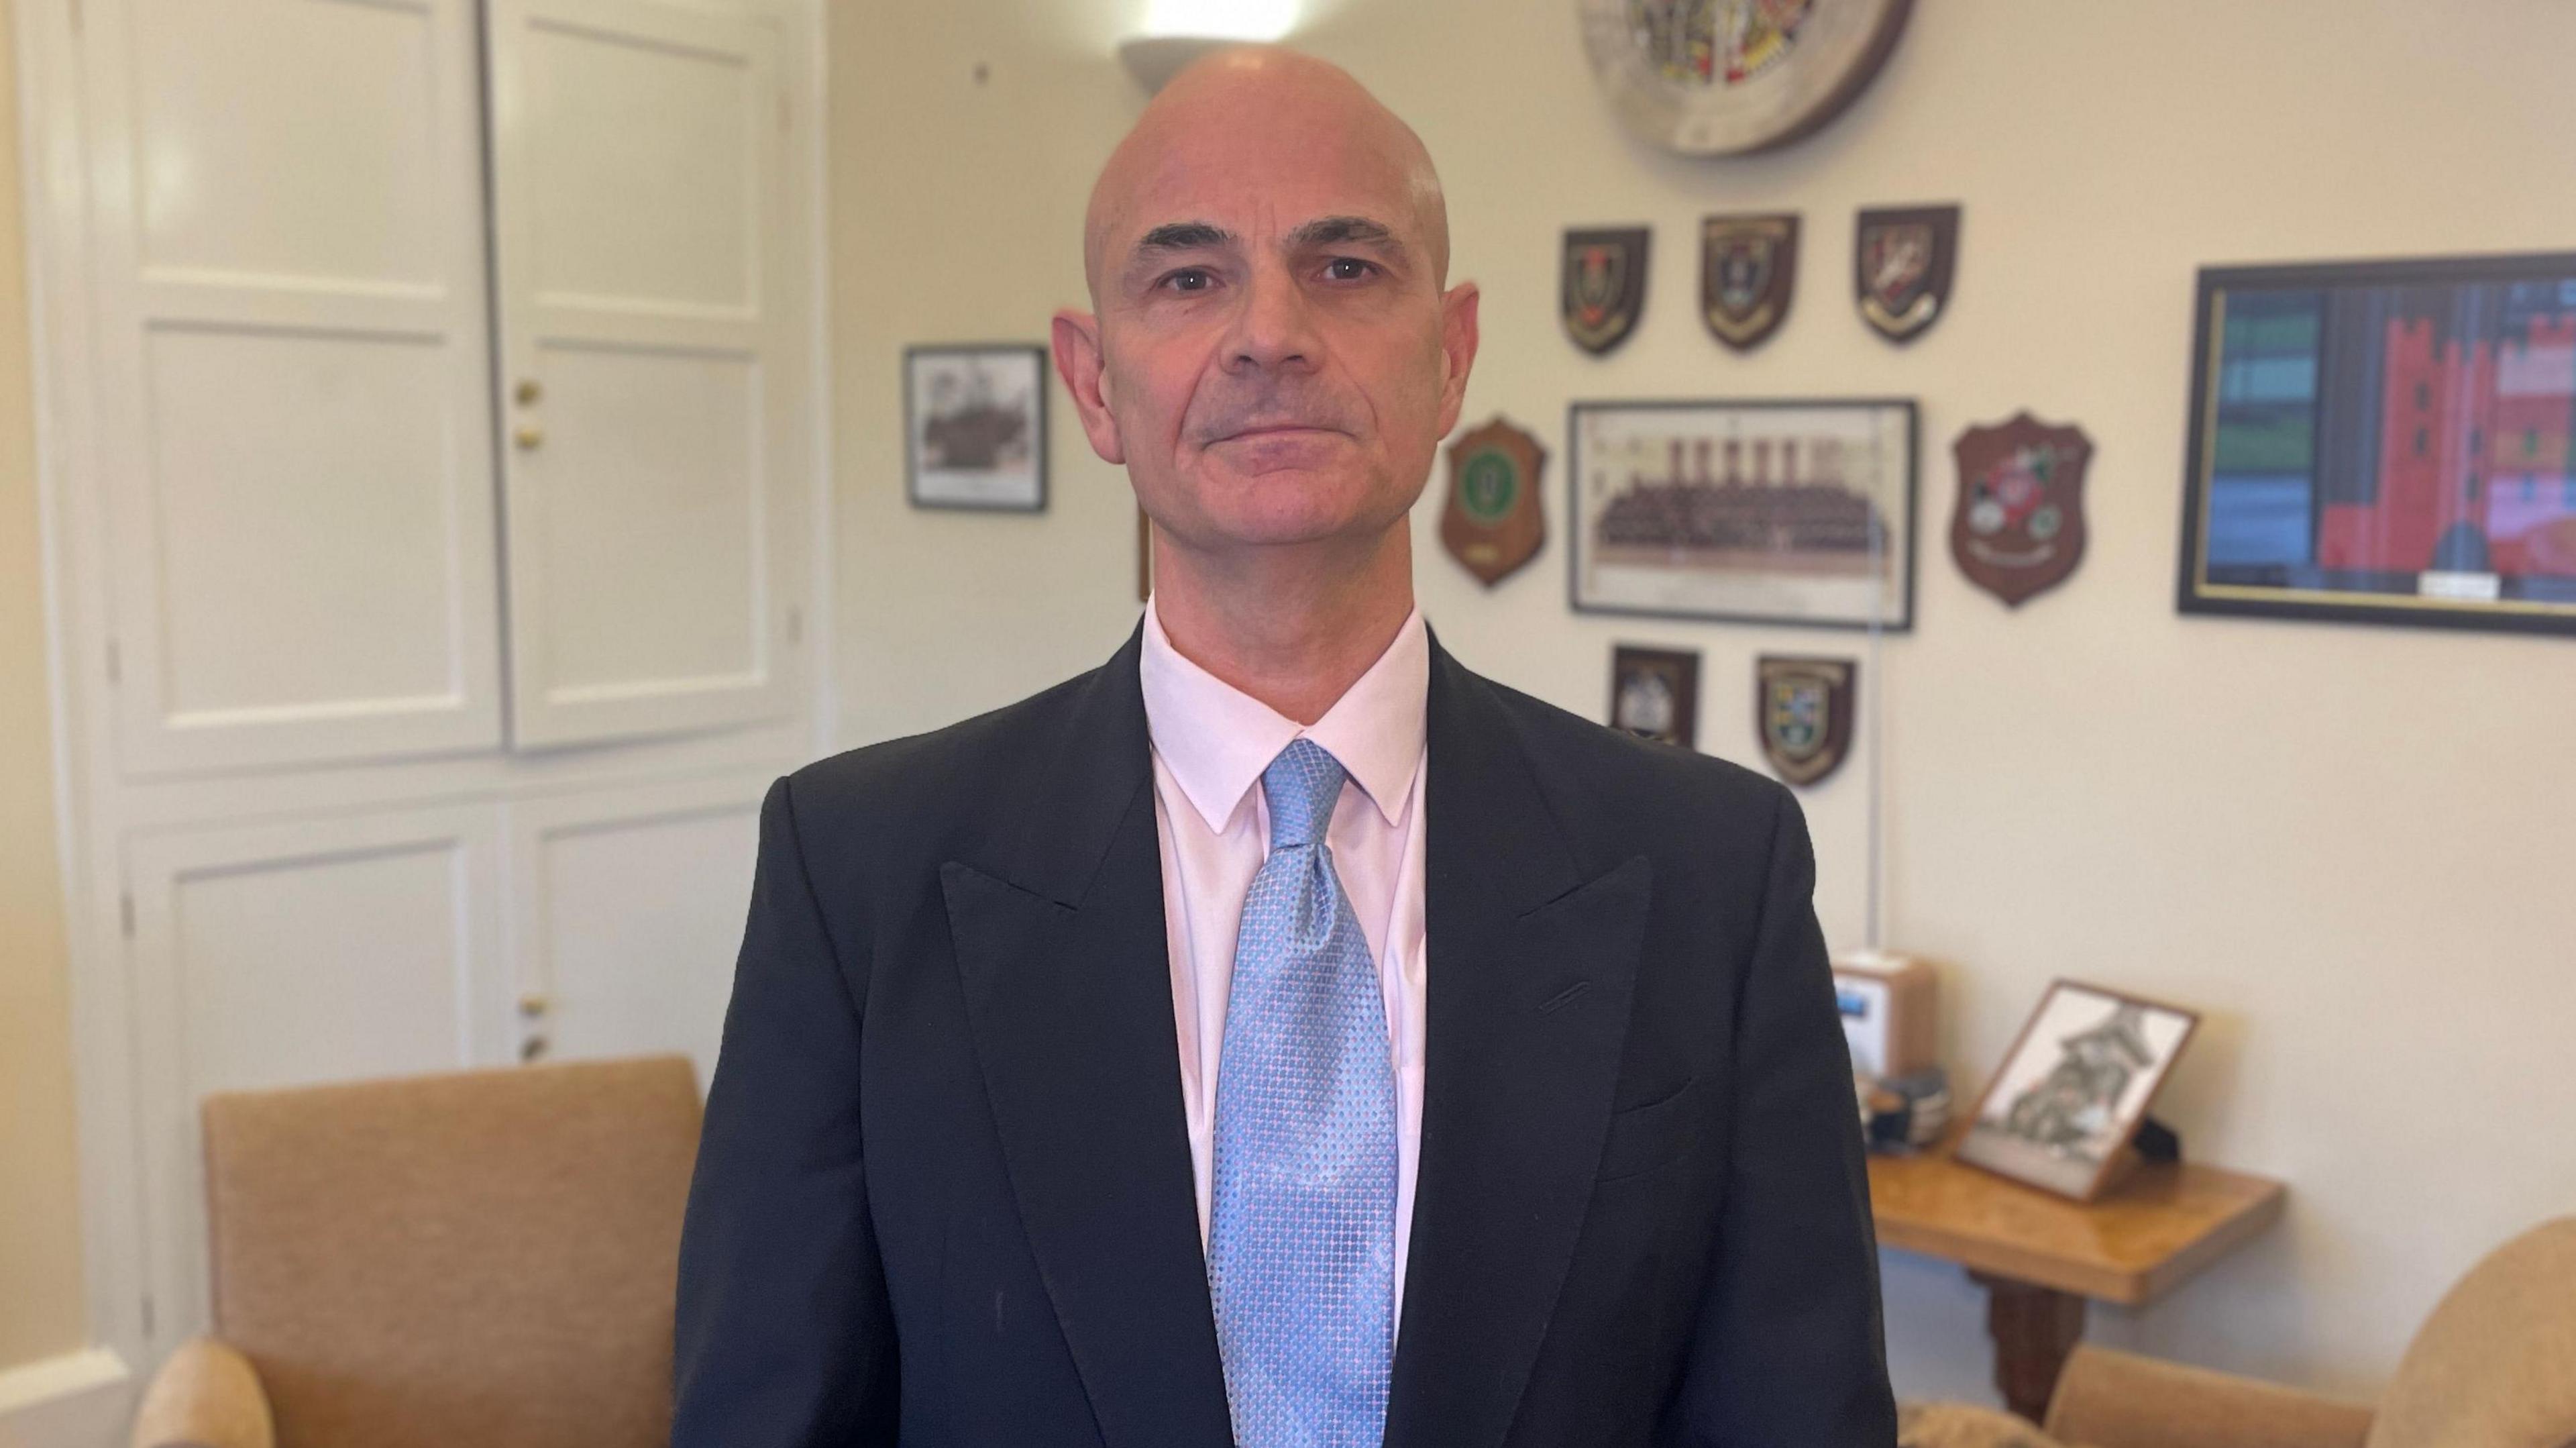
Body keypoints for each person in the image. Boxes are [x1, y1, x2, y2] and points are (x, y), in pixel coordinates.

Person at [671, 46, 1896, 1448]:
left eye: (1347, 267)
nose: (1270, 333)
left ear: (1451, 355)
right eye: (1188, 277)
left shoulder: (1710, 874)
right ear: (1091, 382)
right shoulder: (859, 874)